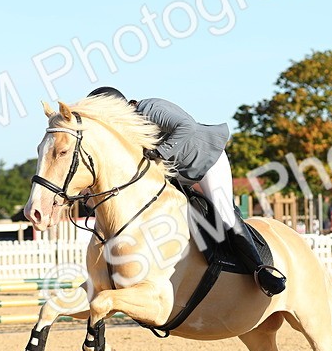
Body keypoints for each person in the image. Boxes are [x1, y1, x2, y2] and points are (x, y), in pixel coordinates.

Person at [87, 86, 286, 296]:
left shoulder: (149, 108)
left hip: (206, 160)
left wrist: (159, 152)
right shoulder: (128, 131)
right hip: (179, 172)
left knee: (223, 211)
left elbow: (187, 127)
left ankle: (261, 270)